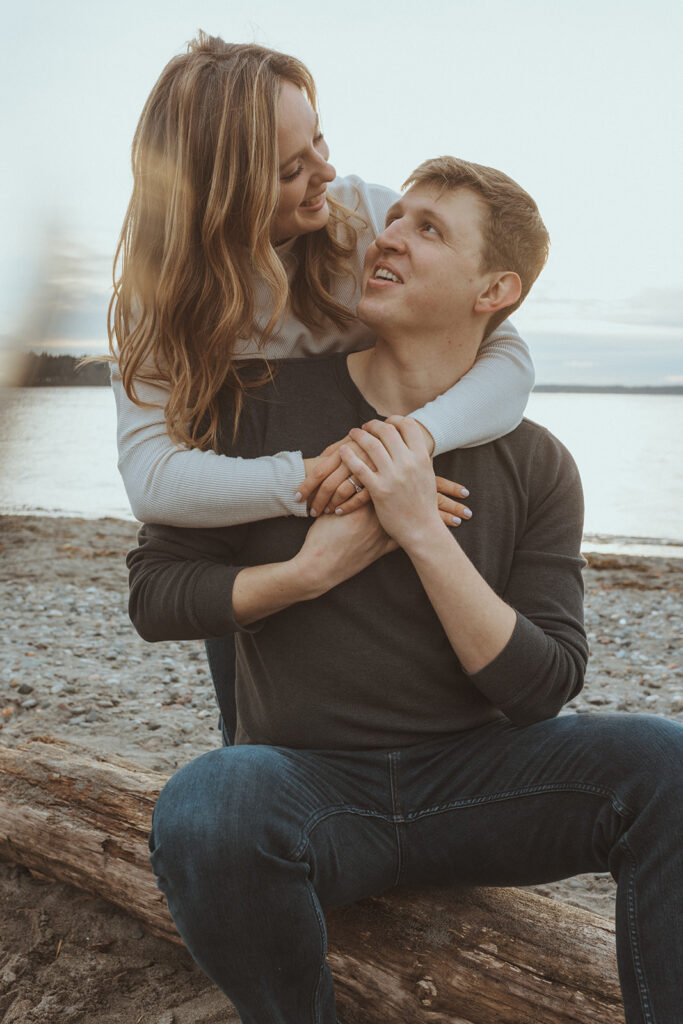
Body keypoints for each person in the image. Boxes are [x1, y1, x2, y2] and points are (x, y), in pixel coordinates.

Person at [128, 156, 683, 1024]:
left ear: (492, 290)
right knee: (209, 800)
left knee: (668, 763)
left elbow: (541, 690)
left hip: (479, 791)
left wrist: (421, 530)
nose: (388, 234)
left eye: (429, 229)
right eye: (399, 219)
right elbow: (156, 595)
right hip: (308, 790)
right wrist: (308, 570)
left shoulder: (536, 461)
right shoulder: (258, 411)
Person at [111, 32, 536, 745]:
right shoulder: (155, 300)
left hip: (407, 488)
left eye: (319, 142)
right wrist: (311, 477)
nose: (326, 171)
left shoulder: (366, 219)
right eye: (290, 170)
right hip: (255, 524)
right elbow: (151, 478)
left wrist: (408, 442)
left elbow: (510, 363)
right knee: (251, 730)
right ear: (222, 189)